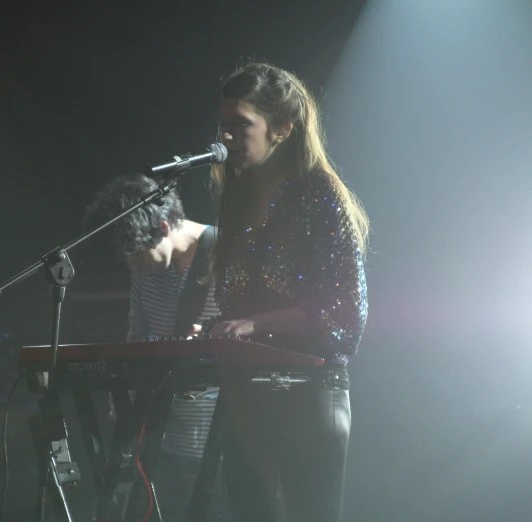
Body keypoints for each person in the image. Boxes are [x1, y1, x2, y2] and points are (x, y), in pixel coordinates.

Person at [202, 62, 369, 522]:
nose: (228, 137)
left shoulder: (319, 194)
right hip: (246, 392)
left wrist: (255, 323)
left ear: (281, 129)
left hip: (309, 393)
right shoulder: (235, 195)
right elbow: (237, 300)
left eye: (242, 125)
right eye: (224, 125)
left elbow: (345, 312)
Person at [84, 174, 227, 521]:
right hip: (162, 437)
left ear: (163, 227)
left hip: (221, 435)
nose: (132, 265)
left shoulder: (229, 253)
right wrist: (124, 390)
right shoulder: (147, 269)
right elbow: (137, 329)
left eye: (134, 255)